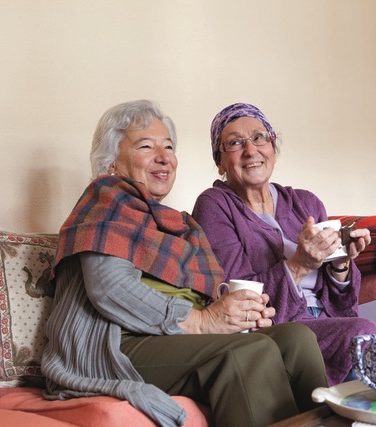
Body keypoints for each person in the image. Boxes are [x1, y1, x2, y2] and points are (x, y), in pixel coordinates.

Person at [41, 100, 328, 427]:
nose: (164, 157)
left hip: (171, 338)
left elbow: (203, 295)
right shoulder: (106, 200)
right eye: (146, 146)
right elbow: (110, 288)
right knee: (246, 353)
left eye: (168, 146)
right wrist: (203, 321)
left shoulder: (173, 223)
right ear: (111, 164)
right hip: (116, 344)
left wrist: (236, 312)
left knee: (296, 339)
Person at [192, 103, 376, 386]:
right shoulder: (215, 205)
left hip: (331, 321)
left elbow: (345, 307)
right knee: (364, 333)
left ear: (273, 148)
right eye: (235, 143)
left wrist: (341, 264)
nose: (251, 150)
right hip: (278, 328)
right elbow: (239, 298)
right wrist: (299, 266)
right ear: (220, 162)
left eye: (260, 137)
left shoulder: (305, 202)